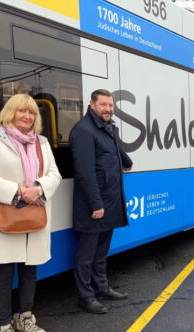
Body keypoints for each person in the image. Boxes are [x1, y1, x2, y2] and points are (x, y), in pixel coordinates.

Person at [0, 94, 61, 332]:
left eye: (32, 112)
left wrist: (39, 188)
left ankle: (24, 317)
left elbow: (55, 173)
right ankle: (2, 324)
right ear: (10, 112)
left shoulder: (41, 142)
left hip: (34, 213)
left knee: (30, 270)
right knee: (2, 273)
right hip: (4, 213)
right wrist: (18, 191)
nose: (27, 116)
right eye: (21, 111)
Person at [69, 89, 133, 314]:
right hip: (94, 206)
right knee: (86, 255)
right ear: (92, 105)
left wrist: (127, 160)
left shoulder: (107, 128)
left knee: (102, 251)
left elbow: (115, 150)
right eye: (104, 105)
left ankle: (102, 287)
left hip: (110, 202)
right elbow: (85, 173)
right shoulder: (83, 131)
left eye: (111, 105)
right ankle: (85, 296)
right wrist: (96, 205)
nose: (108, 109)